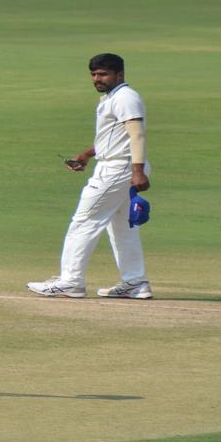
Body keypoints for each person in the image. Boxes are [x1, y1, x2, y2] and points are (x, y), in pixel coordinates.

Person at [28, 52, 153, 299]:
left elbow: (136, 135)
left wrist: (137, 172)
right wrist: (87, 154)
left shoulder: (125, 98)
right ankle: (135, 282)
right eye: (94, 74)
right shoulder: (112, 97)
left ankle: (71, 281)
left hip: (118, 169)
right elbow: (114, 136)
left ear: (120, 74)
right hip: (120, 167)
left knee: (84, 221)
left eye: (103, 74)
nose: (98, 79)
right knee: (122, 228)